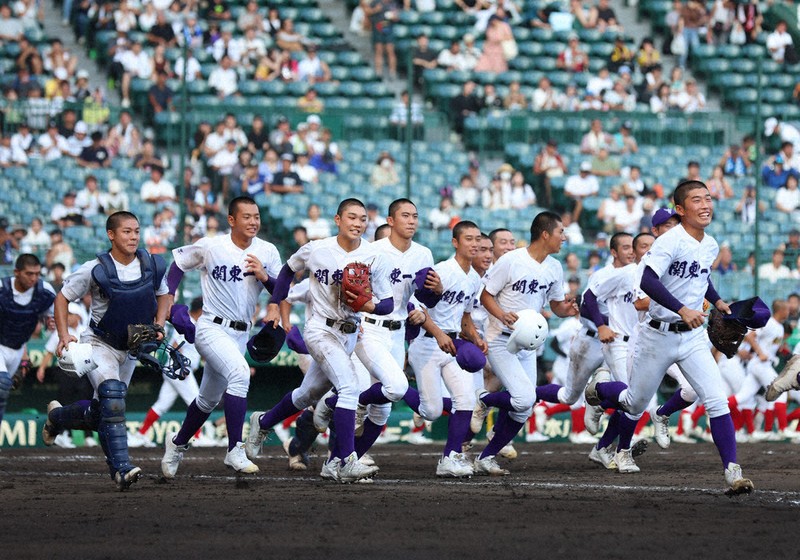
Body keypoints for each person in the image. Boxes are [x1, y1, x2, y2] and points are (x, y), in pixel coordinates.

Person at [585, 180, 754, 494]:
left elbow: (701, 277)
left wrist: (717, 301)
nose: (705, 205)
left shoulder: (710, 244)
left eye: (707, 198)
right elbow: (648, 281)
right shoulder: (668, 242)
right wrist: (681, 309)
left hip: (692, 338)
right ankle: (599, 389)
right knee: (634, 403)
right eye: (696, 200)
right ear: (680, 209)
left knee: (716, 400)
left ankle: (733, 473)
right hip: (657, 336)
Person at [244, 199, 393, 483]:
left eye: (362, 219)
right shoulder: (317, 249)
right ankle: (346, 461)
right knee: (349, 388)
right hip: (320, 329)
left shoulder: (375, 256)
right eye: (352, 217)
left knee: (307, 395)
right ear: (338, 219)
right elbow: (288, 270)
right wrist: (275, 303)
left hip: (350, 333)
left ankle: (263, 421)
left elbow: (388, 303)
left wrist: (371, 306)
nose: (358, 223)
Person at [42, 212, 170, 490]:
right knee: (112, 397)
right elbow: (62, 297)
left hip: (132, 348)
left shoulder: (150, 264)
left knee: (102, 413)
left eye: (136, 231)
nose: (133, 237)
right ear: (111, 235)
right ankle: (122, 469)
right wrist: (63, 335)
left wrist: (159, 324)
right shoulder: (94, 268)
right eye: (126, 231)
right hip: (100, 343)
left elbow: (164, 294)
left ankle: (57, 417)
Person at [313, 199, 442, 468]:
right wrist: (354, 317)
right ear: (390, 220)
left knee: (382, 411)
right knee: (394, 387)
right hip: (369, 328)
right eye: (405, 215)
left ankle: (338, 463)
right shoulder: (372, 251)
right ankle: (341, 405)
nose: (411, 221)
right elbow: (351, 292)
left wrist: (435, 294)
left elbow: (425, 298)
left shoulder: (423, 254)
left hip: (397, 332)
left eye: (415, 216)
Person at [160, 197, 283, 478]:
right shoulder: (212, 246)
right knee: (240, 374)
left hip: (241, 332)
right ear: (231, 220)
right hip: (211, 327)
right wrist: (170, 296)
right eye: (246, 216)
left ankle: (177, 443)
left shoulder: (267, 250)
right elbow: (179, 263)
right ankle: (234, 449)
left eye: (256, 216)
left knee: (207, 400)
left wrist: (265, 277)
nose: (253, 222)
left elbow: (282, 289)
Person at [470, 212, 580, 474]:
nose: (564, 238)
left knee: (524, 408)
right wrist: (501, 315)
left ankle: (486, 456)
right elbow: (485, 296)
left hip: (528, 344)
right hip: (501, 339)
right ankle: (486, 399)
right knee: (524, 398)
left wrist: (566, 310)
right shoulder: (511, 260)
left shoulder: (554, 267)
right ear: (545, 234)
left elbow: (556, 305)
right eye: (560, 232)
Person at [403, 221, 485, 476]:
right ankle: (399, 387)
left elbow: (465, 317)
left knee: (467, 400)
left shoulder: (474, 278)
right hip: (427, 343)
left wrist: (475, 338)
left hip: (453, 345)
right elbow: (416, 307)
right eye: (468, 238)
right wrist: (438, 333)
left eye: (477, 239)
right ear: (455, 242)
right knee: (432, 411)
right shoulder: (440, 271)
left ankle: (450, 458)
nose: (474, 243)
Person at [128, 297, 216, 448]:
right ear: (201, 310)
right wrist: (180, 366)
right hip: (179, 371)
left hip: (177, 371)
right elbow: (175, 347)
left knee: (162, 405)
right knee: (196, 402)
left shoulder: (195, 324)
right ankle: (197, 436)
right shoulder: (188, 323)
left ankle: (140, 435)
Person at [0, 254, 56, 424]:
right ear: (17, 272)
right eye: (29, 273)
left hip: (17, 348)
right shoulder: (2, 288)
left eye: (37, 274)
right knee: (2, 384)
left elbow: (50, 317)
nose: (34, 278)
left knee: (2, 396)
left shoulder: (45, 292)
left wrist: (50, 321)